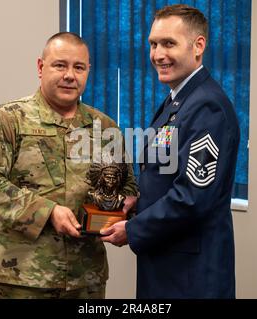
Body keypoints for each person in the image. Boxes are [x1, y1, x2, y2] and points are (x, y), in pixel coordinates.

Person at [0, 32, 138, 299]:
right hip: (27, 278)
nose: (70, 75)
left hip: (87, 276)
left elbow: (125, 185)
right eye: (60, 65)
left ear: (88, 71)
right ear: (40, 67)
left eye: (78, 67)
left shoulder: (104, 127)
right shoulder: (8, 119)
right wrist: (47, 212)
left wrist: (125, 212)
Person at [101, 4, 240, 299]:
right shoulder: (177, 101)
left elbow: (193, 196)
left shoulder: (207, 106)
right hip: (167, 265)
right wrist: (139, 201)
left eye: (168, 43)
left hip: (191, 276)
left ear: (198, 45)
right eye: (153, 44)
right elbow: (169, 174)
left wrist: (134, 230)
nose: (158, 55)